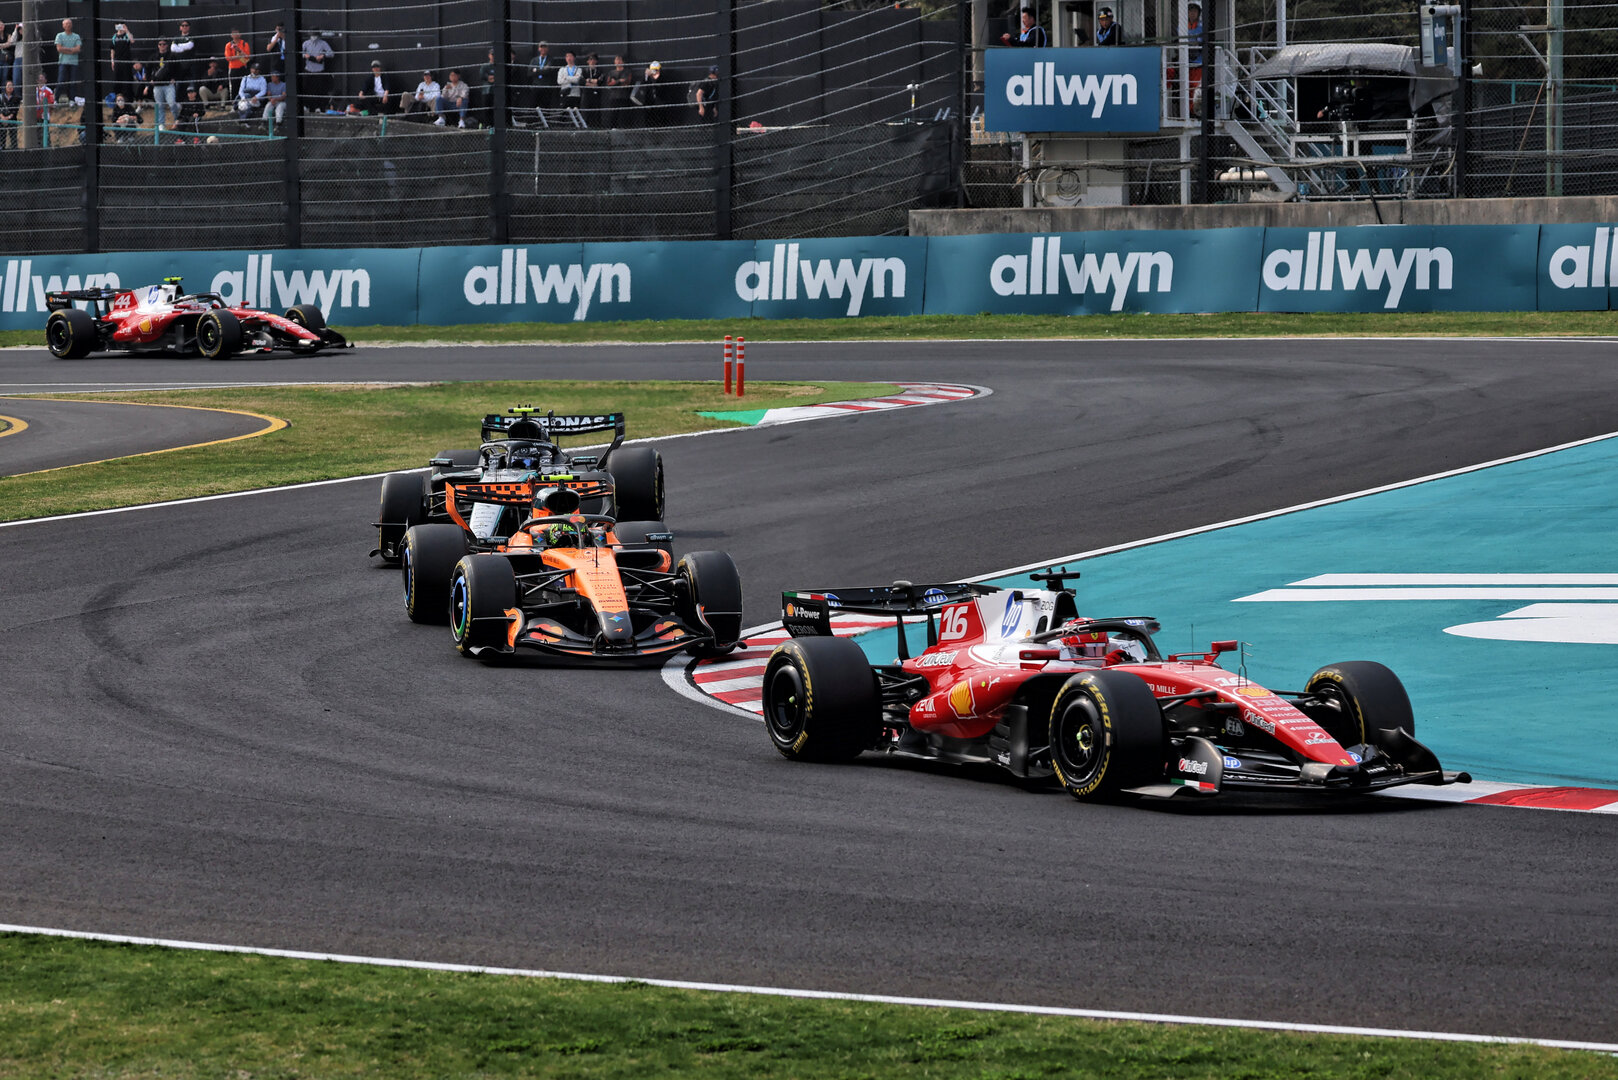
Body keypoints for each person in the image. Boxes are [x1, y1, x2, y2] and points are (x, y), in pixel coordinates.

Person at [151, 39, 181, 129]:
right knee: (159, 105)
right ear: (158, 45)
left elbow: (178, 68)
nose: (162, 46)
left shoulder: (172, 56)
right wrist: (151, 79)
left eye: (164, 44)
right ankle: (161, 124)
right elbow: (149, 68)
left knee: (171, 103)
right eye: (160, 44)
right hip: (157, 85)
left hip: (168, 84)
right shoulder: (154, 57)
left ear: (167, 45)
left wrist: (174, 78)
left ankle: (177, 119)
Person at [301, 32, 334, 112]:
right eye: (312, 35)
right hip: (308, 70)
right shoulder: (305, 43)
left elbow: (331, 53)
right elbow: (300, 52)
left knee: (319, 90)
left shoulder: (323, 43)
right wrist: (305, 55)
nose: (314, 37)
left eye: (315, 35)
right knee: (307, 90)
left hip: (319, 71)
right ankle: (307, 106)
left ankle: (318, 107)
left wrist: (323, 56)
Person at [53, 18, 81, 105]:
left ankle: (71, 99)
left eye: (69, 24)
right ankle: (56, 99)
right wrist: (71, 50)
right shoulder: (59, 36)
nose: (68, 25)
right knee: (61, 81)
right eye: (66, 24)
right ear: (63, 26)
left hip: (74, 62)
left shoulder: (76, 36)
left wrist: (65, 49)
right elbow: (59, 48)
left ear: (71, 25)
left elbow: (78, 49)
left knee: (72, 82)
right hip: (63, 62)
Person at [108, 22, 136, 102]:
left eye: (120, 25)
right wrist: (112, 61)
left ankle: (128, 100)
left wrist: (126, 30)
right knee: (117, 80)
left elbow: (132, 40)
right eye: (117, 25)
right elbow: (112, 50)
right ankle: (118, 99)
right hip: (117, 61)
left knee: (127, 80)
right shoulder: (114, 37)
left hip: (126, 61)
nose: (119, 27)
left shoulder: (126, 35)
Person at [605, 55, 633, 127]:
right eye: (617, 60)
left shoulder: (627, 72)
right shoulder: (611, 72)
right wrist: (619, 81)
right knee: (613, 117)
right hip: (614, 98)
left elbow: (627, 82)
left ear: (623, 62)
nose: (618, 62)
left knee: (624, 117)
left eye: (620, 60)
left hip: (624, 97)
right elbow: (609, 84)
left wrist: (615, 82)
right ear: (614, 62)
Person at [526, 41, 552, 112]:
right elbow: (529, 72)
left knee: (545, 106)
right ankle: (531, 122)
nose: (543, 49)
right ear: (538, 49)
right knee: (533, 105)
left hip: (546, 86)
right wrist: (542, 70)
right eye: (541, 47)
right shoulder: (534, 60)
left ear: (547, 49)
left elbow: (548, 71)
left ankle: (545, 122)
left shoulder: (550, 59)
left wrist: (536, 70)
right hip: (536, 85)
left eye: (545, 47)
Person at [0, 78, 17, 148]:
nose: (10, 87)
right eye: (8, 85)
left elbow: (15, 110)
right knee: (2, 138)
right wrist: (2, 118)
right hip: (2, 120)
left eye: (11, 86)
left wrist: (8, 118)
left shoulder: (16, 97)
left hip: (12, 120)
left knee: (13, 139)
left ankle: (14, 153)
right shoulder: (1, 97)